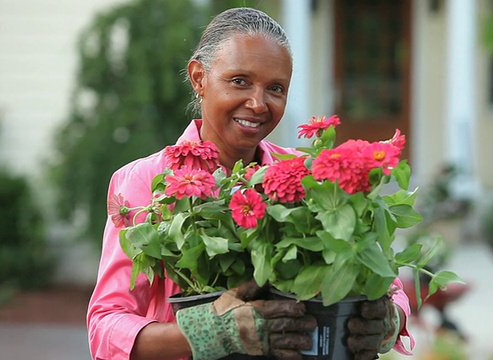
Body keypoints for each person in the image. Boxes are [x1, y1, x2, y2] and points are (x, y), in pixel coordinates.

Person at [87, 7, 414, 360]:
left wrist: (387, 322)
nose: (258, 104)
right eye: (240, 81)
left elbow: (385, 285)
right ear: (199, 78)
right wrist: (210, 331)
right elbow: (105, 325)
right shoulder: (145, 182)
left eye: (275, 88)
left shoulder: (306, 174)